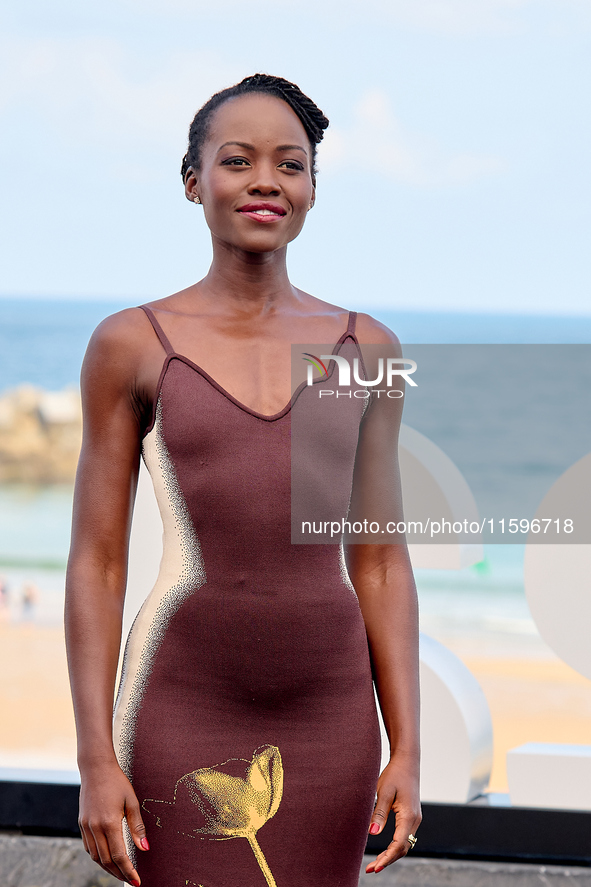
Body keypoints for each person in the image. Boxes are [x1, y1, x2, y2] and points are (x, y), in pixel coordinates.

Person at [65, 73, 421, 887]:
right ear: (193, 182)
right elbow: (97, 561)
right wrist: (93, 757)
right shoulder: (131, 343)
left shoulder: (368, 349)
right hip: (177, 706)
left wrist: (405, 744)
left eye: (290, 164)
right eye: (237, 160)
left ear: (311, 191)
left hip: (331, 714)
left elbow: (379, 560)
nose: (266, 180)